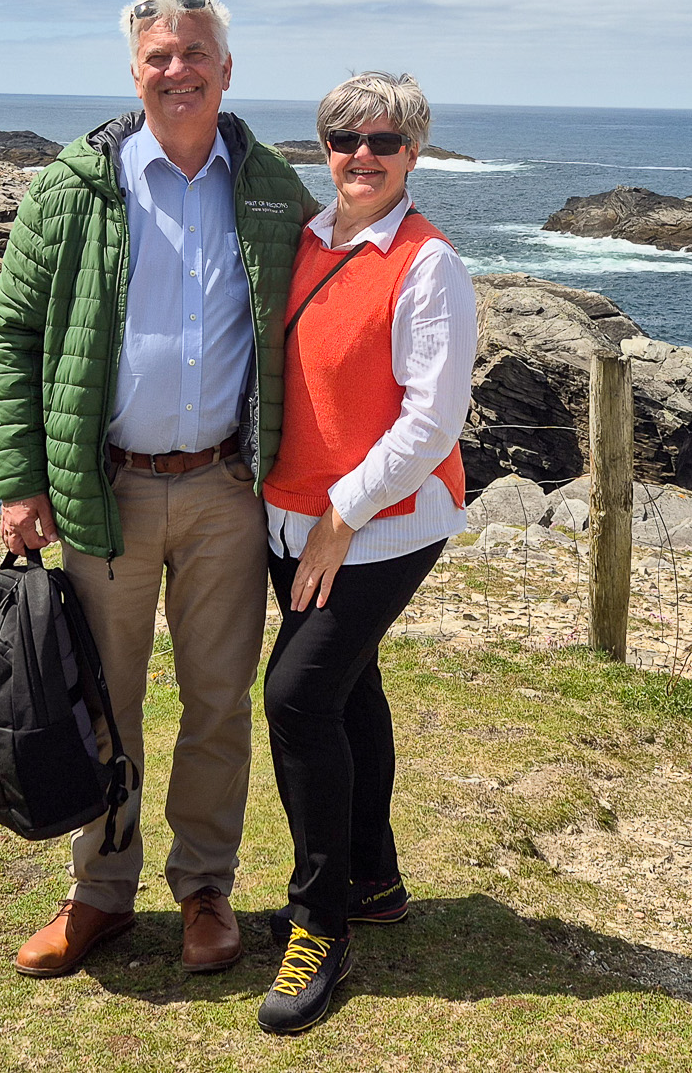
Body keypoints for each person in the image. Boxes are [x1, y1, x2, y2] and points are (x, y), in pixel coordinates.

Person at [0, 0, 319, 979]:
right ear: (134, 73)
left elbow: (324, 313)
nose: (177, 71)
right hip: (105, 491)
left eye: (194, 54)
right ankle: (100, 892)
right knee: (104, 701)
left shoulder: (265, 187)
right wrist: (20, 480)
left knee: (217, 699)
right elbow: (12, 333)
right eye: (157, 57)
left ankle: (205, 889)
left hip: (226, 489)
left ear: (225, 68)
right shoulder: (71, 187)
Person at [253, 72, 478, 1035]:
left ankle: (323, 923)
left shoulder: (429, 265)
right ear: (324, 148)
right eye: (345, 140)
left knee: (298, 697)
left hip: (378, 525)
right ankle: (374, 881)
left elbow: (434, 417)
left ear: (413, 153)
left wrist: (345, 512)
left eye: (385, 141)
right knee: (349, 691)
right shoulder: (305, 242)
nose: (363, 156)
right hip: (289, 516)